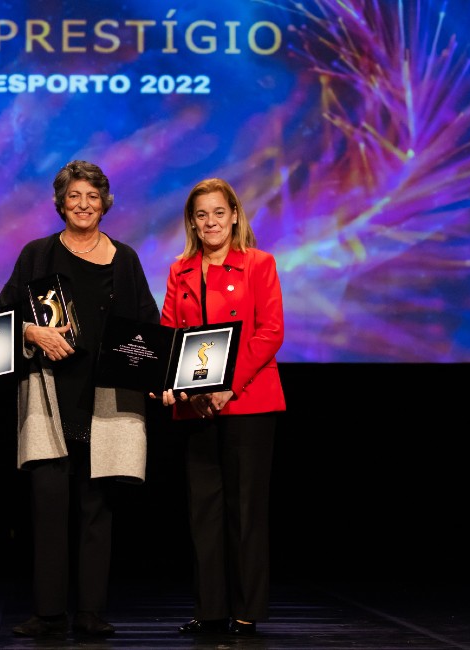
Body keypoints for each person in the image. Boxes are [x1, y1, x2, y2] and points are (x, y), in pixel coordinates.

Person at [0, 160, 159, 637]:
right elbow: (2, 315)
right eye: (74, 197)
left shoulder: (124, 258)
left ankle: (89, 612)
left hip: (106, 399)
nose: (83, 205)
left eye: (92, 197)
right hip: (49, 397)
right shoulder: (37, 255)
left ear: (105, 204)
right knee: (47, 508)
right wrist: (32, 331)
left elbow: (146, 322)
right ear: (60, 204)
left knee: (97, 509)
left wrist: (158, 369)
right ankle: (48, 613)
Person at [154, 177, 286, 637]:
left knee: (246, 510)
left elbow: (270, 332)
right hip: (196, 408)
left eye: (218, 212)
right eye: (201, 214)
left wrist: (230, 384)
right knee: (203, 510)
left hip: (249, 402)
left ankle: (246, 610)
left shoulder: (259, 264)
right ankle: (210, 609)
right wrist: (170, 384)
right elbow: (169, 334)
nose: (210, 222)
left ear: (234, 215)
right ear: (192, 221)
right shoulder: (180, 269)